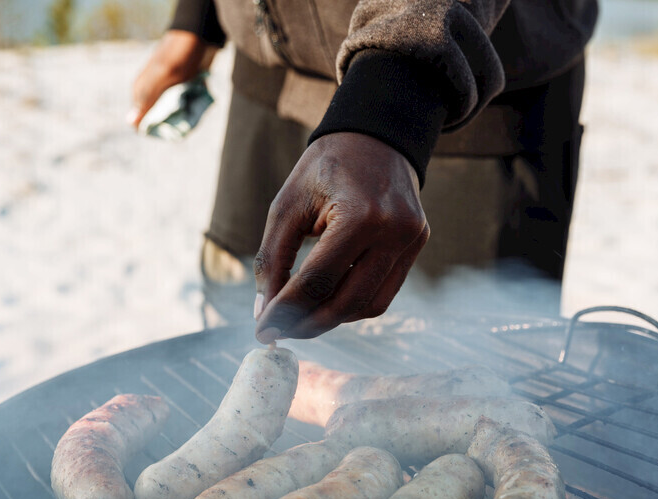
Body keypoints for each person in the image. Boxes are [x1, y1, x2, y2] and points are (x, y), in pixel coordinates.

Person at [129, 1, 598, 343]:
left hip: (457, 101)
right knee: (241, 333)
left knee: (466, 376)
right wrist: (198, 18)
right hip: (268, 74)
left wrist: (394, 96)